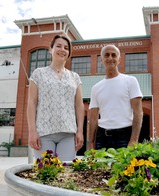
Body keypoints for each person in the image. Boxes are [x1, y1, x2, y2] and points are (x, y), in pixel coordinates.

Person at [27, 34, 84, 162]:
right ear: (50, 49)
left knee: (64, 175)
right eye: (58, 46)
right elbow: (32, 103)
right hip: (44, 133)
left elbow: (79, 106)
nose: (62, 50)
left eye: (66, 47)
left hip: (68, 134)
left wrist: (80, 131)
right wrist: (32, 131)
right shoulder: (38, 74)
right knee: (46, 174)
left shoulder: (75, 77)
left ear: (69, 53)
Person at [88, 44, 143, 150]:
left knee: (123, 167)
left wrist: (134, 140)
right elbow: (93, 118)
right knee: (101, 167)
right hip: (102, 137)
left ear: (119, 59)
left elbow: (138, 113)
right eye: (106, 55)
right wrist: (90, 143)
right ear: (102, 59)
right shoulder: (96, 88)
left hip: (124, 136)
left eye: (114, 55)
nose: (110, 58)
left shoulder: (130, 81)